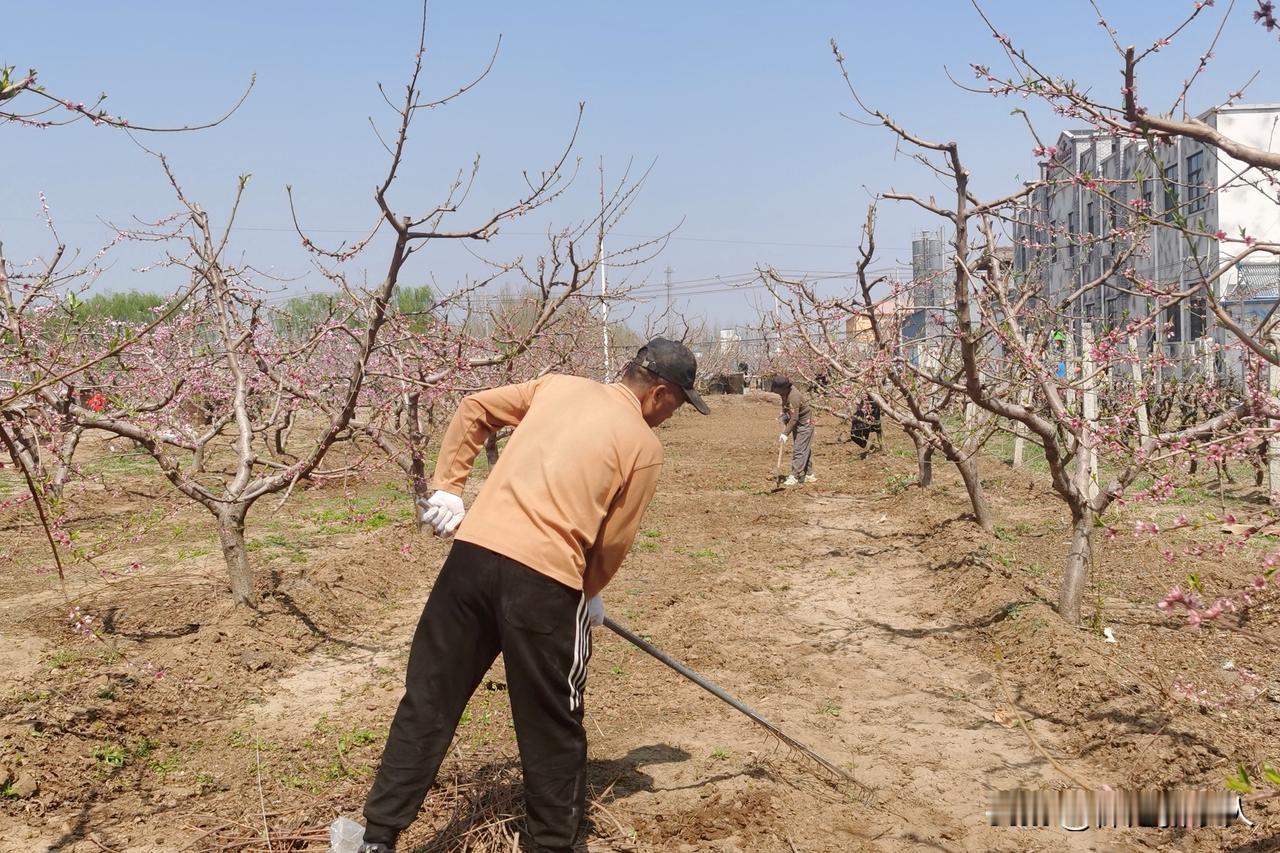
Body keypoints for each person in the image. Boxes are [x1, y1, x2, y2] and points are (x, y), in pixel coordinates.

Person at [356, 338, 709, 853]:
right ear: (660, 393)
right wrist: (589, 594)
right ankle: (549, 845)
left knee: (430, 699)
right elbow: (612, 540)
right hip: (545, 586)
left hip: (471, 562)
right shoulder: (644, 447)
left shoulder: (556, 387)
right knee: (552, 723)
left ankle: (378, 837)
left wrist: (450, 486)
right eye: (678, 405)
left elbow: (475, 407)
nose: (672, 417)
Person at [770, 375, 814, 485]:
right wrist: (784, 415)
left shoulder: (794, 396)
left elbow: (795, 418)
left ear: (784, 388)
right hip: (798, 421)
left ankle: (795, 476)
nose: (778, 393)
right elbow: (786, 408)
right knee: (804, 448)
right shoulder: (784, 393)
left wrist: (785, 433)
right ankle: (809, 474)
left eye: (778, 391)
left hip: (805, 423)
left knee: (799, 449)